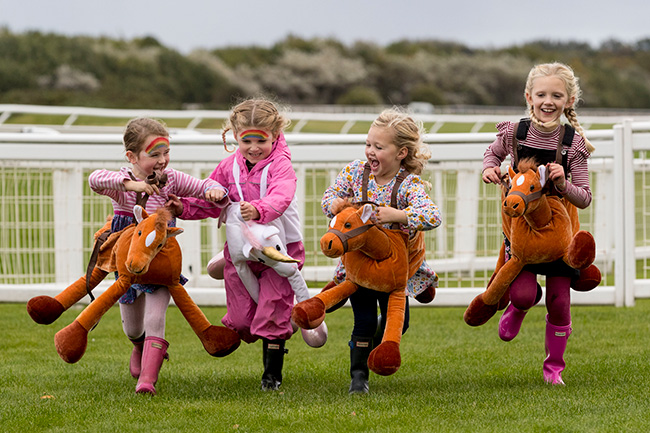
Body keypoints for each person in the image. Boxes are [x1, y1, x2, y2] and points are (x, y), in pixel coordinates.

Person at [88, 117, 228, 394]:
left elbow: (206, 184)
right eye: (154, 154)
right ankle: (139, 346)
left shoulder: (172, 179)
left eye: (166, 152)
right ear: (132, 156)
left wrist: (215, 190)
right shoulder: (122, 182)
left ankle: (148, 380)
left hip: (162, 257)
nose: (163, 160)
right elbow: (94, 179)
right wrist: (132, 186)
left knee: (155, 317)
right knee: (132, 326)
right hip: (129, 260)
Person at [171, 98, 303, 391]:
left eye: (261, 140)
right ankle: (284, 322)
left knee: (270, 312)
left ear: (275, 135)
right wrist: (181, 207)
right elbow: (209, 199)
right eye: (247, 140)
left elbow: (283, 194)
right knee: (242, 321)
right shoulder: (228, 167)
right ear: (234, 136)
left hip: (279, 250)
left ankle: (272, 376)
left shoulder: (281, 166)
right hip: (240, 252)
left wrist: (259, 209)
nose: (254, 147)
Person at [481, 62, 595, 385]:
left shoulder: (572, 144)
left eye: (557, 95)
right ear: (528, 96)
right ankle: (518, 308)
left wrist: (563, 184)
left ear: (569, 101)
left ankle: (554, 367)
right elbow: (490, 156)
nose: (548, 101)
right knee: (521, 293)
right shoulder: (514, 133)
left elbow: (585, 197)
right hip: (522, 231)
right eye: (541, 94)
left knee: (559, 303)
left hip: (559, 234)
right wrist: (490, 169)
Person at [321, 108, 442, 394]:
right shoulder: (354, 173)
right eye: (368, 144)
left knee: (399, 324)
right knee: (362, 320)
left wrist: (396, 216)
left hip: (394, 274)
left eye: (379, 147)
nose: (370, 152)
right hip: (360, 268)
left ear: (401, 152)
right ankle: (358, 378)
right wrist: (340, 205)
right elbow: (328, 199)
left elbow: (433, 216)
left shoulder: (408, 185)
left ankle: (374, 349)